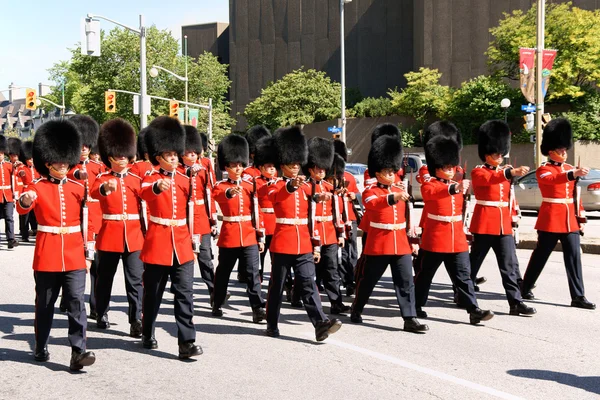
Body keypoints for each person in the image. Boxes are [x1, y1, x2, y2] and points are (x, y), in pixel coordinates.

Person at [16, 120, 96, 370]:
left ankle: (78, 351)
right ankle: (41, 344)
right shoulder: (37, 186)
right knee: (45, 303)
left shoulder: (77, 187)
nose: (63, 165)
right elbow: (23, 203)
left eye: (65, 161)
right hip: (48, 253)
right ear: (47, 162)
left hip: (74, 253)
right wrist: (26, 200)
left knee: (76, 302)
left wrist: (89, 251)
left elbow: (88, 221)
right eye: (58, 161)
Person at [265, 126, 342, 341]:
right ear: (283, 166)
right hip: (283, 242)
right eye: (292, 165)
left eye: (298, 164)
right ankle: (271, 323)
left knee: (309, 283)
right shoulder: (275, 184)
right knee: (277, 286)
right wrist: (289, 186)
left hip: (304, 243)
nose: (296, 168)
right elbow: (276, 196)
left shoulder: (308, 187)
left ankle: (320, 323)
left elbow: (311, 211)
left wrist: (316, 243)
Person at [350, 135, 428, 332]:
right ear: (378, 173)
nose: (392, 174)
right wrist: (393, 196)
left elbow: (406, 217)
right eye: (387, 171)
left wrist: (413, 240)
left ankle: (409, 317)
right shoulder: (370, 190)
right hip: (379, 243)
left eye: (393, 171)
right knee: (368, 280)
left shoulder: (399, 188)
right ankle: (357, 308)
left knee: (405, 281)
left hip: (400, 242)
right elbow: (372, 205)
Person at [139, 116, 202, 359]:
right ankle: (147, 330)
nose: (175, 158)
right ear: (159, 157)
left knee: (185, 294)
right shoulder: (151, 177)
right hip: (158, 242)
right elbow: (145, 193)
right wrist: (157, 188)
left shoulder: (186, 180)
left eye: (176, 154)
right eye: (169, 154)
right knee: (153, 294)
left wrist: (195, 242)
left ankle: (187, 342)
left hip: (182, 243)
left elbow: (192, 211)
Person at [414, 135, 494, 325]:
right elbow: (432, 193)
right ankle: (415, 305)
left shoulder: (455, 185)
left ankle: (473, 309)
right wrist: (454, 188)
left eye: (452, 167)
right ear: (437, 168)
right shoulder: (430, 184)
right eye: (446, 168)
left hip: (456, 238)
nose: (451, 171)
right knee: (425, 276)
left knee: (464, 277)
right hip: (436, 238)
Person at [521, 118, 595, 310]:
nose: (564, 153)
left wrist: (581, 217)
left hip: (570, 219)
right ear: (550, 151)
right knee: (541, 255)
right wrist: (572, 174)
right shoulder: (544, 169)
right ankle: (525, 286)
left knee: (574, 257)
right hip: (551, 218)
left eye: (565, 149)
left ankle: (578, 296)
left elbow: (575, 195)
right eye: (560, 150)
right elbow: (553, 180)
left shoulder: (570, 169)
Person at [468, 120, 536, 316]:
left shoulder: (504, 172)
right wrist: (509, 172)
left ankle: (515, 302)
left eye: (500, 153)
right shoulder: (478, 171)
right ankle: (462, 292)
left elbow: (508, 196)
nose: (499, 156)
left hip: (503, 223)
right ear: (486, 154)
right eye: (495, 154)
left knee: (509, 266)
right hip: (484, 223)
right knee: (474, 263)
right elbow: (489, 180)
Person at [90, 118, 145, 337]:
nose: (122, 158)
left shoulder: (136, 178)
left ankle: (136, 319)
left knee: (135, 281)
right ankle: (101, 312)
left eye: (125, 154)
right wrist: (105, 189)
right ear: (109, 155)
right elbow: (95, 193)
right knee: (105, 279)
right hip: (110, 234)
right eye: (118, 154)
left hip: (133, 235)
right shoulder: (102, 178)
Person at [211, 134, 266, 322]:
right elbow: (220, 195)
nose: (238, 169)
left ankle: (257, 307)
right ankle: (217, 301)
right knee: (224, 272)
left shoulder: (250, 185)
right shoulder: (220, 186)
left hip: (249, 234)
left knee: (252, 273)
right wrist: (230, 192)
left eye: (240, 165)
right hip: (230, 234)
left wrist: (260, 235)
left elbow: (256, 211)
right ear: (226, 167)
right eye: (234, 166)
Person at [304, 137, 350, 314]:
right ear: (310, 168)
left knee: (331, 268)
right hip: (312, 232)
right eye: (318, 168)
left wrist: (340, 233)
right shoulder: (305, 187)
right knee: (311, 270)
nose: (322, 171)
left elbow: (336, 212)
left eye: (324, 168)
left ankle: (335, 302)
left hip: (329, 232)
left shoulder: (330, 188)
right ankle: (298, 294)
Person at [67, 115, 103, 319]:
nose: (84, 149)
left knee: (97, 268)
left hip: (94, 223)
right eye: (81, 144)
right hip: (73, 224)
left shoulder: (98, 169)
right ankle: (71, 300)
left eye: (87, 145)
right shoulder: (66, 169)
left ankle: (97, 308)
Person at [180, 125, 217, 303]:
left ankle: (214, 291)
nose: (193, 155)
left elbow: (210, 191)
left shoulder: (205, 166)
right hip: (183, 219)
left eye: (195, 152)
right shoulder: (177, 170)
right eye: (188, 152)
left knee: (205, 257)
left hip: (201, 217)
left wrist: (213, 218)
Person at [333, 140, 359, 296]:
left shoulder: (349, 176)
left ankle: (352, 280)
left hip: (351, 219)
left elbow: (357, 196)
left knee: (352, 252)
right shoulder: (328, 179)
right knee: (340, 253)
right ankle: (346, 280)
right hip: (336, 219)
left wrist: (353, 196)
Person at [253, 135, 279, 281]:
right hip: (262, 223)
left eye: (273, 166)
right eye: (269, 166)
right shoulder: (255, 182)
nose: (272, 169)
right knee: (260, 257)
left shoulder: (279, 182)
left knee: (277, 257)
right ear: (261, 168)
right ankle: (258, 280)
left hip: (276, 223)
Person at [16, 141, 39, 241]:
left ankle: (36, 230)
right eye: (29, 159)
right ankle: (24, 234)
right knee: (25, 215)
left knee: (36, 214)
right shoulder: (22, 167)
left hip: (36, 192)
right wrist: (20, 172)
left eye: (32, 158)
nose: (31, 161)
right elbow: (19, 173)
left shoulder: (38, 168)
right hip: (26, 191)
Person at [0, 136, 18, 249]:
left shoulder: (9, 165)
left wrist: (15, 195)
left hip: (8, 195)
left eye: (1, 153)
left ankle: (11, 239)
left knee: (9, 218)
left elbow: (14, 180)